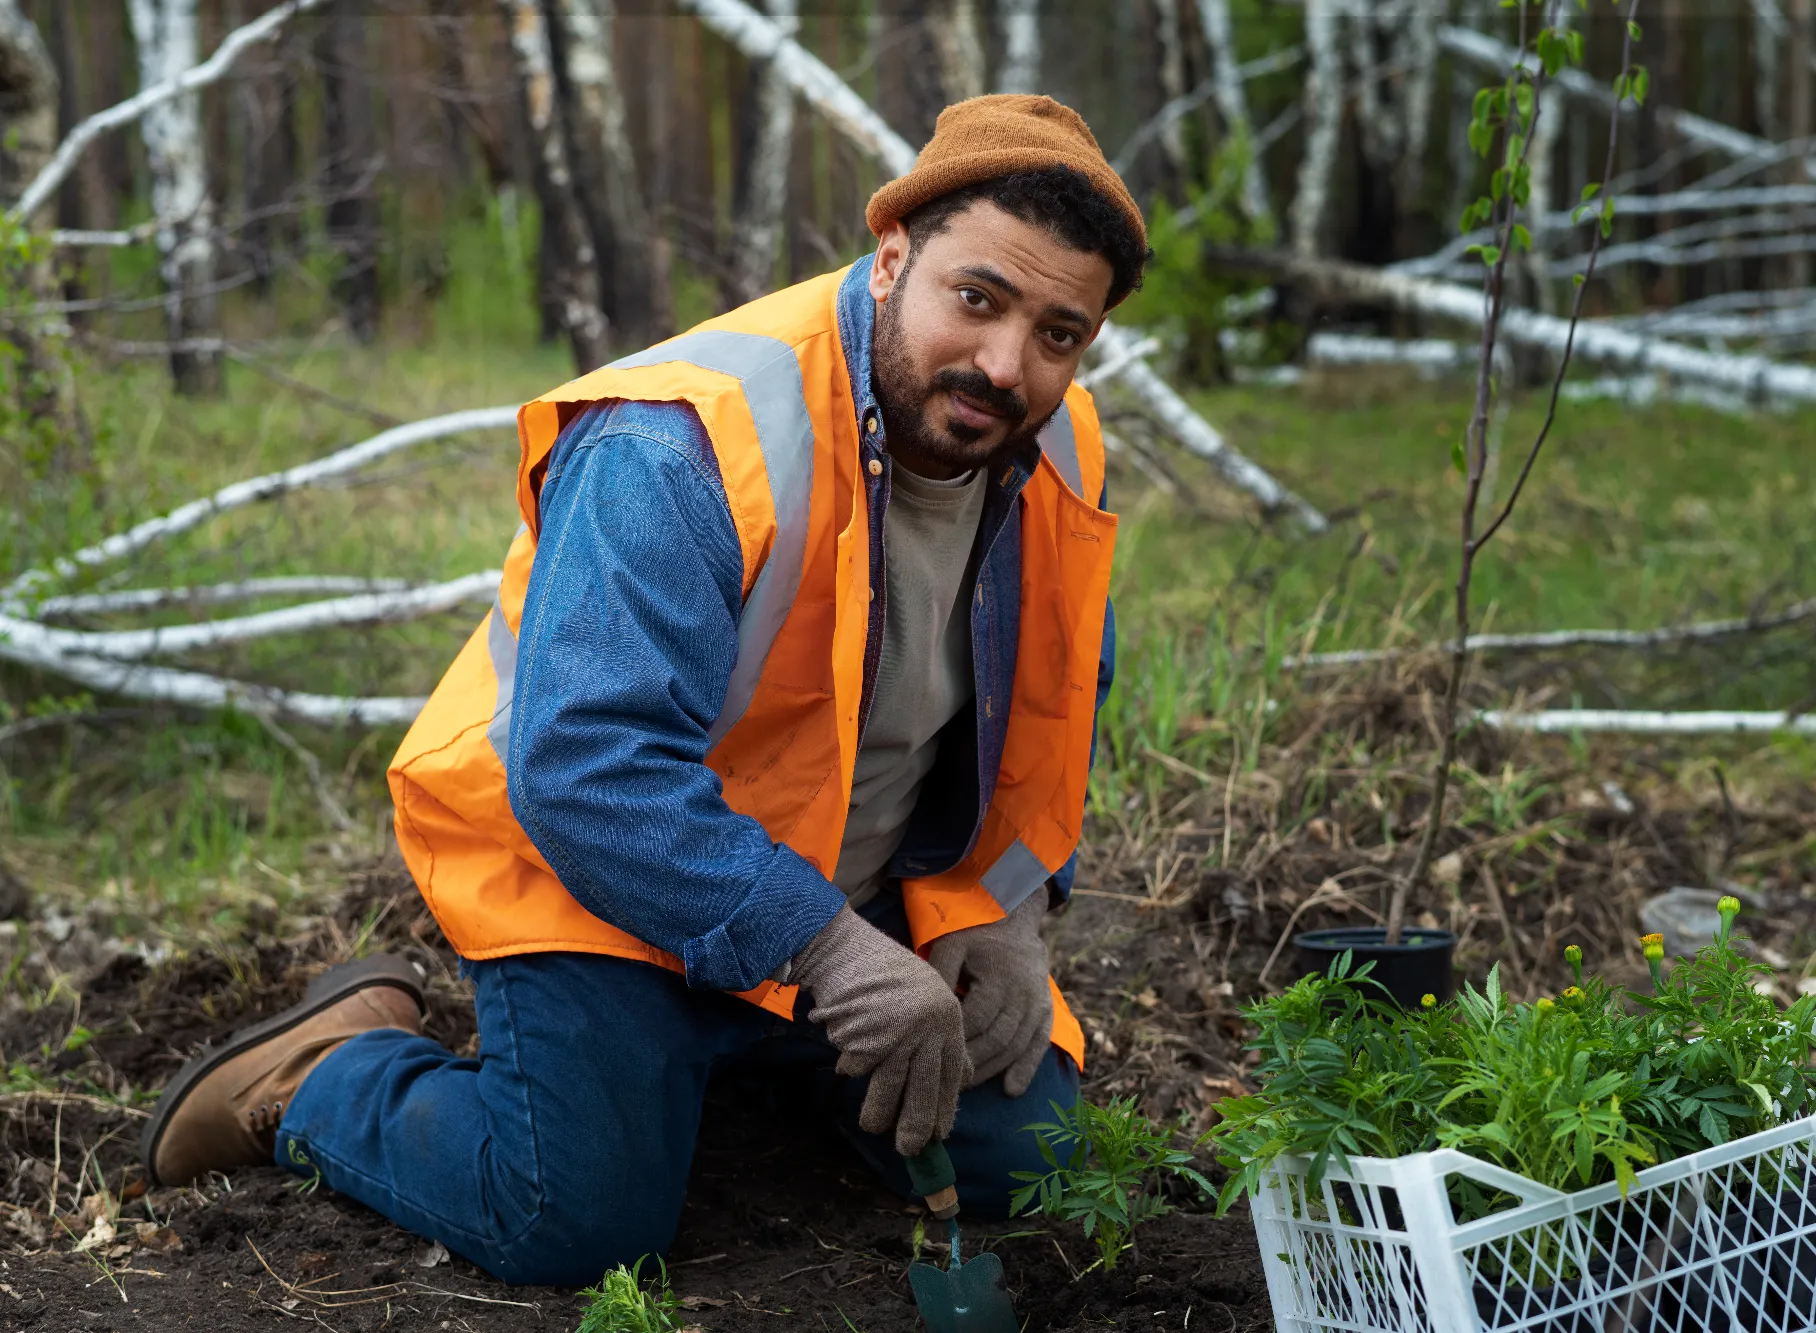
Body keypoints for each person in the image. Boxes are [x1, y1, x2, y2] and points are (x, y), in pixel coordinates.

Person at [137, 94, 1148, 1285]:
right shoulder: (681, 441)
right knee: (577, 1225)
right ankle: (322, 1077)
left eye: (1056, 332)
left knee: (1033, 1165)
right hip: (600, 882)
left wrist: (1016, 916)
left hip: (841, 890)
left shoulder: (1049, 441)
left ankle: (730, 1063)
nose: (1002, 363)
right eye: (975, 299)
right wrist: (827, 953)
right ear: (891, 258)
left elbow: (1061, 683)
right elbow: (583, 769)